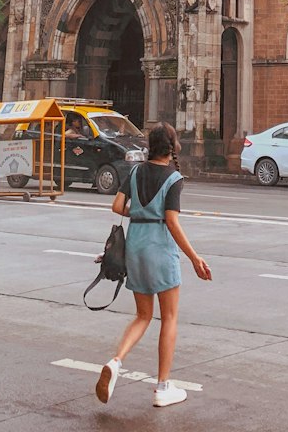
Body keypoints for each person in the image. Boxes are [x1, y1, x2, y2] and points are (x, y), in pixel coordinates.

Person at [96, 122, 211, 410]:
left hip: (136, 246)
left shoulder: (135, 172)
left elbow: (116, 206)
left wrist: (140, 210)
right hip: (160, 248)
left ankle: (116, 360)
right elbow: (172, 222)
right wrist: (195, 257)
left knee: (142, 316)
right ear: (172, 147)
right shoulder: (174, 178)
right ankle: (162, 386)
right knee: (169, 317)